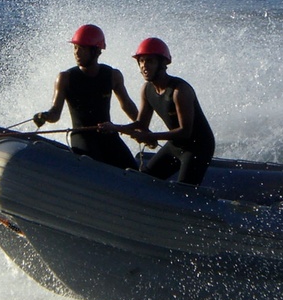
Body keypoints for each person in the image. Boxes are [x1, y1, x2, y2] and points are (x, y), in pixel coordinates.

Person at [105, 37, 216, 185]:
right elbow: (141, 123)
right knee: (144, 180)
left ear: (162, 64)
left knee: (184, 191)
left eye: (149, 61)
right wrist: (114, 128)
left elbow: (185, 131)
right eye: (141, 61)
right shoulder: (147, 89)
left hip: (197, 148)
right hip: (176, 145)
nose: (144, 66)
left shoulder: (179, 91)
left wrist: (150, 136)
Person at [33, 24, 138, 169]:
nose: (76, 52)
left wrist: (142, 126)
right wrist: (45, 116)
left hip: (108, 135)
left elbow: (127, 105)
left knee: (132, 170)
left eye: (81, 48)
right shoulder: (65, 78)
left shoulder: (113, 75)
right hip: (81, 136)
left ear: (96, 51)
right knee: (95, 167)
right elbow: (55, 113)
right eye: (75, 48)